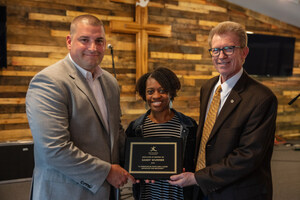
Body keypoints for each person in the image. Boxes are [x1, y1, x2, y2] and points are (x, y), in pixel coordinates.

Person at [26, 14, 134, 200]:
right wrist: (106, 172)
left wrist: (146, 166)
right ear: (69, 41)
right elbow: (54, 149)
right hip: (65, 193)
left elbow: (115, 133)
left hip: (107, 193)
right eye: (84, 40)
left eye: (99, 41)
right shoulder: (49, 81)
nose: (93, 47)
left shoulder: (110, 83)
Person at [169, 21, 278, 200]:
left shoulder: (262, 99)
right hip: (203, 190)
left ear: (244, 52)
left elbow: (248, 156)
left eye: (228, 48)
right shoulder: (208, 87)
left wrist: (198, 178)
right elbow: (207, 139)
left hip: (237, 193)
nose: (221, 55)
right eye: (216, 50)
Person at [125, 67, 198, 200]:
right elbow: (126, 164)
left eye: (162, 90)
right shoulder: (135, 129)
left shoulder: (189, 126)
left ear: (171, 92)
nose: (156, 96)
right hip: (147, 196)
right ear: (144, 94)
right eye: (150, 91)